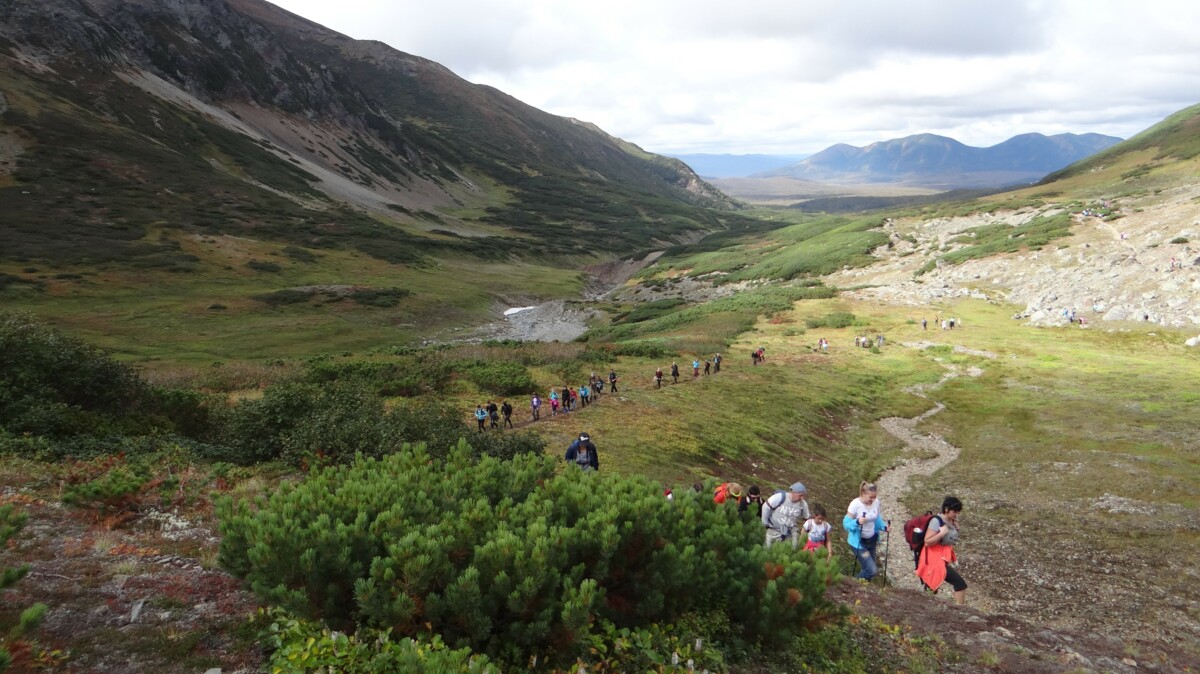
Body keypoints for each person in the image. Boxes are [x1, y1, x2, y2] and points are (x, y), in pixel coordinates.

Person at [917, 496, 967, 605]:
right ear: (946, 509)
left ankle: (924, 608)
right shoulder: (936, 521)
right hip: (934, 560)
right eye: (955, 511)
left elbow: (949, 539)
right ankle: (959, 611)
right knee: (959, 584)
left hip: (942, 560)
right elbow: (927, 542)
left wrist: (955, 529)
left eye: (958, 512)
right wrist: (941, 533)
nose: (956, 514)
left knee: (931, 587)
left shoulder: (951, 521)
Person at [844, 481, 887, 581]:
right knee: (871, 570)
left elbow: (876, 518)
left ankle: (863, 590)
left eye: (874, 497)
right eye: (870, 497)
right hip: (859, 543)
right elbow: (846, 525)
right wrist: (857, 522)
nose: (873, 500)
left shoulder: (876, 502)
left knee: (867, 568)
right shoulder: (854, 505)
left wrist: (884, 527)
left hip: (872, 540)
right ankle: (853, 583)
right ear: (863, 493)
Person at [762, 482, 811, 548]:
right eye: (800, 495)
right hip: (774, 530)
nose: (802, 498)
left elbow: (807, 518)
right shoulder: (779, 497)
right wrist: (765, 523)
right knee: (768, 550)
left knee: (788, 552)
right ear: (793, 492)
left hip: (789, 533)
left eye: (803, 495)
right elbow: (766, 507)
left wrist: (805, 531)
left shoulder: (803, 504)